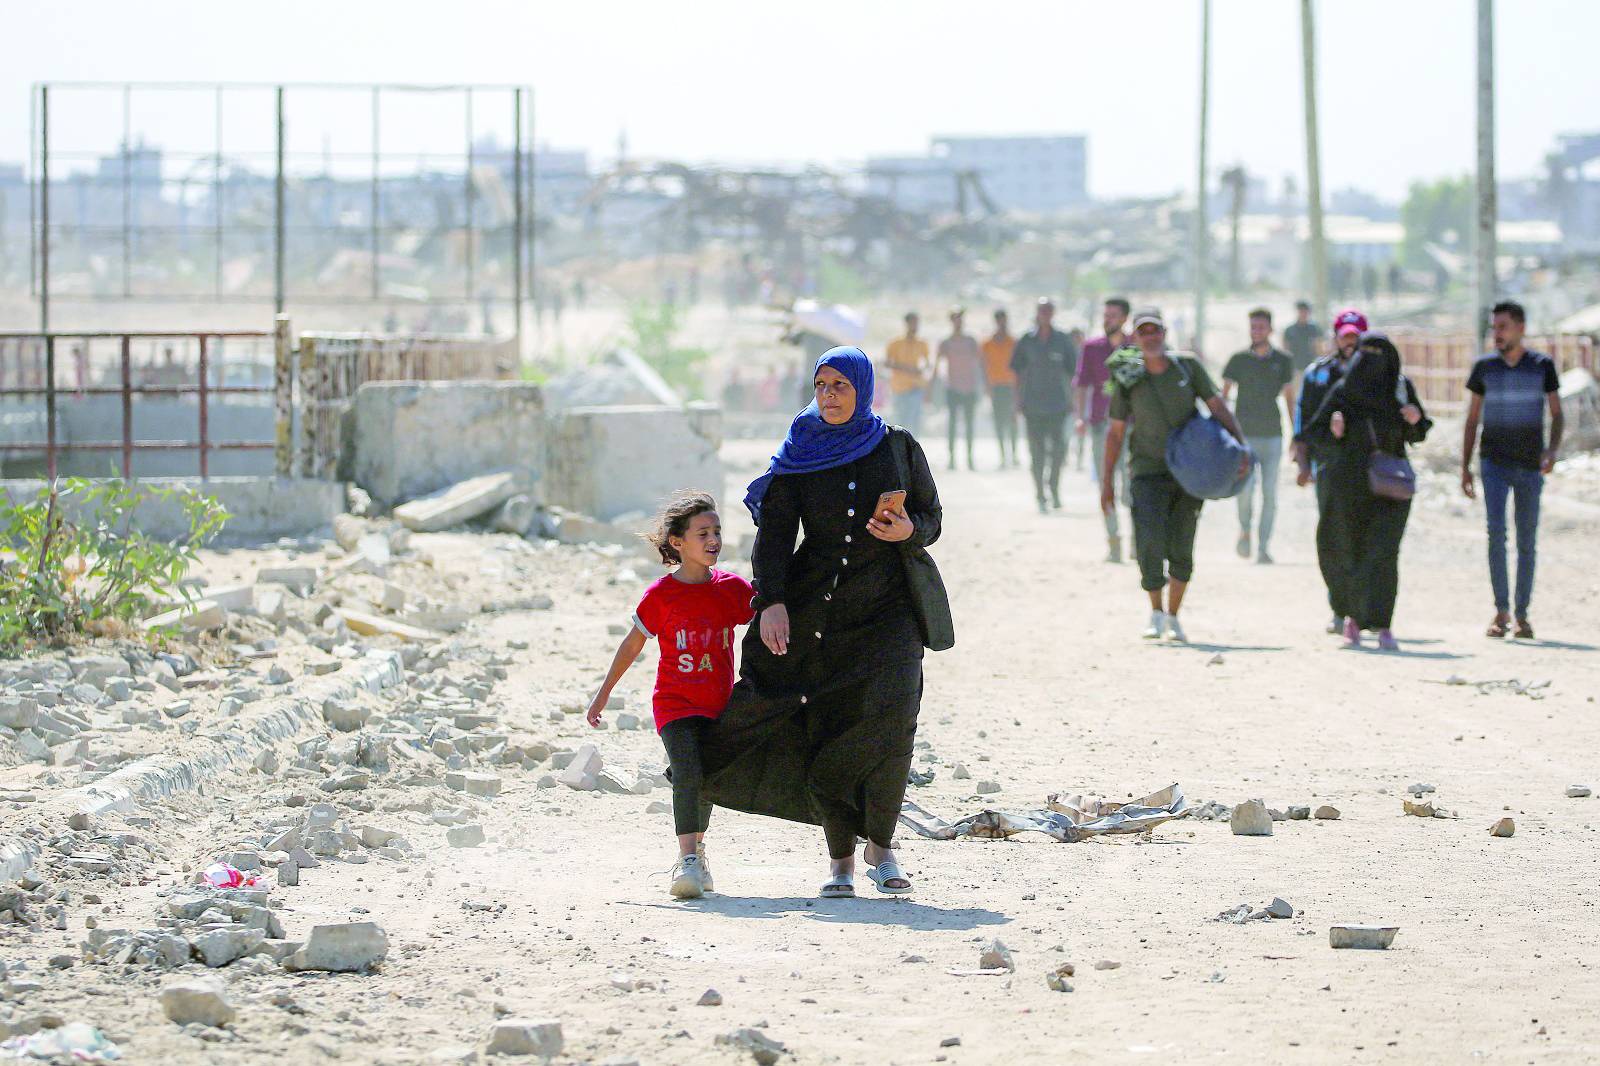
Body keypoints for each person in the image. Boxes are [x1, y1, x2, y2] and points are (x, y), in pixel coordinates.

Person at [698, 346, 943, 899]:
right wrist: (771, 602)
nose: (829, 396)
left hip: (892, 611)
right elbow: (776, 538)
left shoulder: (898, 445)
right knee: (832, 724)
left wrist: (909, 531)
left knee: (894, 718)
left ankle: (881, 845)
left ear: (863, 388)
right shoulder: (801, 450)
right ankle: (841, 862)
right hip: (822, 614)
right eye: (821, 385)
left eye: (840, 385)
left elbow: (931, 515)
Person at [586, 492, 755, 899]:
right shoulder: (661, 595)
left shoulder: (732, 589)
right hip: (675, 704)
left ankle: (698, 848)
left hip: (719, 704)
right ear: (677, 543)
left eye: (717, 531)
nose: (713, 539)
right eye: (703, 533)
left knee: (706, 777)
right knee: (689, 772)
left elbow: (769, 621)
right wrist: (603, 694)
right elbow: (631, 645)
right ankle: (687, 860)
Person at [1101, 308, 1247, 642]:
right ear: (1135, 338)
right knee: (1149, 541)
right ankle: (1154, 611)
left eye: (1156, 331)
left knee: (1182, 543)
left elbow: (1218, 406)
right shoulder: (1128, 376)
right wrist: (1107, 482)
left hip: (1190, 472)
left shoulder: (1188, 366)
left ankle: (1174, 616)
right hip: (1146, 471)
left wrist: (1241, 448)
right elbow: (1115, 432)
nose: (1151, 337)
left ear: (1165, 333)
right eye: (1144, 332)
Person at [1303, 332, 1430, 651]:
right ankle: (1354, 620)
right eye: (1365, 352)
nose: (1370, 360)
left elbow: (1418, 433)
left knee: (1385, 553)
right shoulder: (1343, 393)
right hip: (1350, 485)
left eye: (1378, 354)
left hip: (1390, 485)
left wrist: (1415, 420)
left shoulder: (1400, 389)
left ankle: (1384, 624)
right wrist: (1334, 432)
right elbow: (1314, 433)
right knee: (1353, 550)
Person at [1461, 300, 1564, 639]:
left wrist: (1551, 451)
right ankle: (1501, 611)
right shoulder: (1484, 368)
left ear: (1521, 328)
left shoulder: (1542, 366)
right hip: (1493, 463)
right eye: (1494, 327)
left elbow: (1557, 413)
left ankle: (1523, 614)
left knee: (1527, 541)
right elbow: (1473, 418)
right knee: (1496, 536)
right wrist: (1465, 467)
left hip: (1530, 465)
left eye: (1503, 327)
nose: (1497, 334)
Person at [1294, 308, 1366, 634]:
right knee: (1333, 537)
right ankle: (1339, 607)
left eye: (1355, 335)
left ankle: (1361, 608)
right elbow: (1304, 418)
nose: (1349, 341)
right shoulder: (1317, 374)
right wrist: (1303, 461)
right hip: (1329, 466)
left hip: (1367, 467)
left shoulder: (1377, 373)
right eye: (1344, 334)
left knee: (1363, 537)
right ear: (1336, 337)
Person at [1222, 308, 1296, 563]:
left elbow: (1289, 399)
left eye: (1261, 327)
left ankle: (1264, 545)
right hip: (1244, 437)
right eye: (1253, 327)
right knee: (1244, 490)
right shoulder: (1238, 359)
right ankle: (1245, 530)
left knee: (1270, 493)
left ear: (1270, 330)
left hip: (1273, 435)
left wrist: (1295, 435)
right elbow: (1222, 397)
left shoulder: (1283, 361)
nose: (1257, 332)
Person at [1011, 298, 1078, 514]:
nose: (1045, 314)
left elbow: (1072, 372)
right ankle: (1040, 494)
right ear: (1037, 313)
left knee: (1058, 452)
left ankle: (1054, 489)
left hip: (1058, 405)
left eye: (1049, 311)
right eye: (1042, 311)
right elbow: (1017, 372)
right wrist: (1017, 401)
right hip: (1032, 406)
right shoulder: (1026, 340)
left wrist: (1073, 400)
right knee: (1037, 453)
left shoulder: (1062, 340)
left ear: (1053, 313)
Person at [1076, 297, 1131, 561]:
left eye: (1113, 315)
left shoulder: (1136, 348)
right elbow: (1082, 384)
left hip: (1133, 428)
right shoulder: (1091, 348)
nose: (1107, 319)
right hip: (1101, 427)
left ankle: (1138, 541)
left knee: (1132, 487)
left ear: (1124, 318)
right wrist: (1080, 417)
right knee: (1106, 484)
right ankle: (1114, 541)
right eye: (1105, 314)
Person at [936, 307, 982, 471]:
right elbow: (938, 365)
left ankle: (969, 457)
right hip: (952, 388)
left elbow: (979, 364)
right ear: (951, 321)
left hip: (969, 387)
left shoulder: (971, 341)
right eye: (955, 319)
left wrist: (979, 386)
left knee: (969, 424)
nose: (958, 322)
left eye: (960, 319)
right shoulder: (946, 342)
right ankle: (952, 458)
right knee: (952, 424)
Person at [981, 308, 1020, 468]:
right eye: (999, 320)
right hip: (996, 387)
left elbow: (1019, 367)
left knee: (1012, 421)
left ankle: (1014, 454)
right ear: (995, 321)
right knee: (999, 422)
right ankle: (1003, 456)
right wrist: (986, 387)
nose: (1001, 323)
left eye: (1004, 320)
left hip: (1011, 386)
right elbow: (983, 367)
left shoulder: (1014, 342)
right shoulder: (987, 344)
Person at [886, 312, 932, 436]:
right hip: (899, 387)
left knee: (915, 422)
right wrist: (906, 368)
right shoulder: (895, 343)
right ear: (906, 323)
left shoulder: (922, 343)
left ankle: (913, 450)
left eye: (916, 323)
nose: (915, 326)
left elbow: (927, 364)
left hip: (916, 387)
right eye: (912, 322)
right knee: (900, 422)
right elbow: (887, 363)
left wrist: (922, 371)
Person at [1283, 300, 1321, 374]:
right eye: (1301, 311)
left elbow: (1319, 349)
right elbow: (1286, 350)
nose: (1303, 313)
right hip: (1295, 369)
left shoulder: (1314, 329)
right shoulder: (1289, 330)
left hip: (1312, 368)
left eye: (1305, 311)